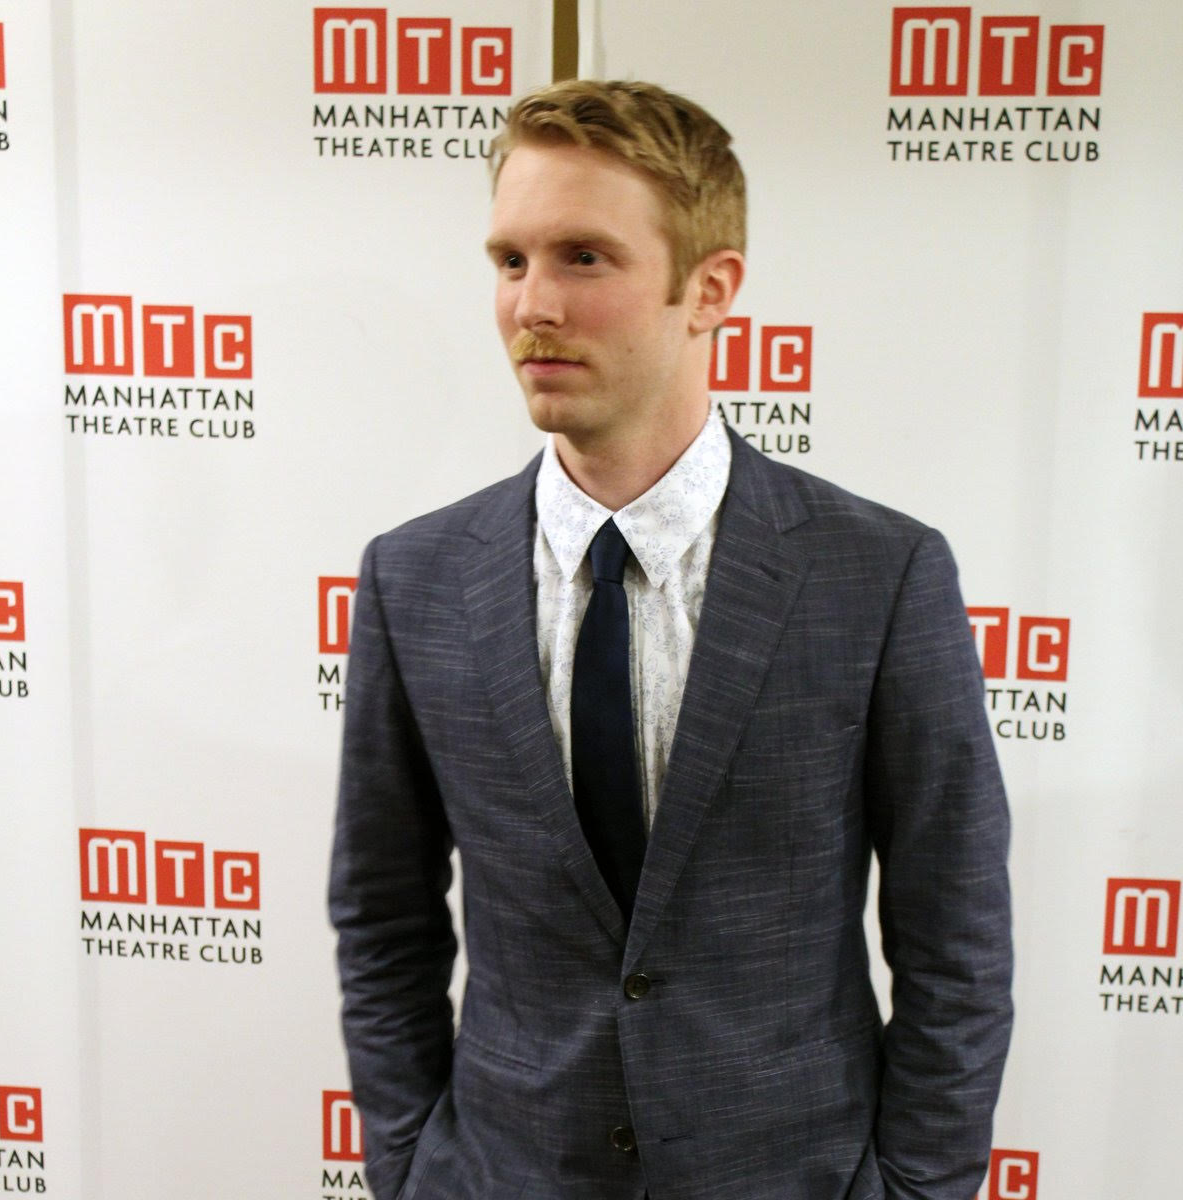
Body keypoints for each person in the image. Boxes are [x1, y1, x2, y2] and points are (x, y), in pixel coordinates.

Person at [329, 79, 1013, 1200]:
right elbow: (382, 915)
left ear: (710, 289)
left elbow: (957, 932)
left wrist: (919, 1189)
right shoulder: (417, 580)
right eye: (510, 260)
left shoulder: (878, 575)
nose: (533, 304)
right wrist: (409, 1167)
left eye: (583, 258)